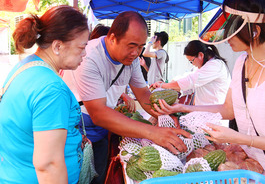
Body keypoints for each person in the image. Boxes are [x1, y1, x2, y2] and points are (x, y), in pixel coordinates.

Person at [151, 0, 265, 184]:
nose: (226, 38)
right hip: (253, 171)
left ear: (254, 31)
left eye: (232, 31)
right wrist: (183, 108)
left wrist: (243, 139)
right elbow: (228, 109)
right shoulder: (243, 61)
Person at [63, 11, 190, 184]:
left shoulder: (133, 60)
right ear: (113, 38)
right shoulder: (89, 57)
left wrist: (167, 115)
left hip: (101, 130)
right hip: (76, 131)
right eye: (131, 45)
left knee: (98, 177)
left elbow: (144, 95)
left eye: (141, 47)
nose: (136, 53)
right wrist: (153, 132)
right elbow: (99, 113)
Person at [0, 5, 89, 183]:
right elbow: (48, 165)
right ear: (57, 46)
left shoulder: (25, 66)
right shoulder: (52, 89)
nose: (85, 53)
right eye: (81, 47)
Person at [151, 40, 231, 106]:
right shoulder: (203, 66)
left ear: (200, 55)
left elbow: (190, 81)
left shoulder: (215, 65)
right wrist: (166, 84)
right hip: (205, 112)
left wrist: (163, 85)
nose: (192, 64)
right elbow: (187, 76)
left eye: (191, 61)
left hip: (215, 115)